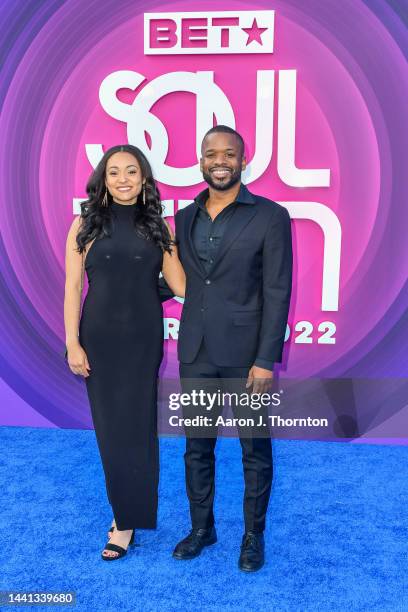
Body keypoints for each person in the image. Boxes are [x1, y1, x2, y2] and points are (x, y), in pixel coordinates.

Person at [172, 125, 292, 572]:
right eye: (210, 154)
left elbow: (277, 291)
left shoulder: (269, 216)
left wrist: (265, 360)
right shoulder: (183, 218)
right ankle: (202, 528)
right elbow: (178, 280)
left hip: (246, 357)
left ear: (243, 159)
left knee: (253, 449)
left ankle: (252, 536)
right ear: (200, 161)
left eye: (228, 154)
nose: (219, 161)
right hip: (196, 352)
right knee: (196, 447)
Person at [64, 144, 185, 561]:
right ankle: (123, 519)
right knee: (111, 431)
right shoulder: (85, 225)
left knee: (138, 428)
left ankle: (131, 515)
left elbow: (183, 286)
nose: (122, 179)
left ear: (144, 178)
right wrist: (71, 342)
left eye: (131, 171)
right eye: (113, 172)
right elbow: (73, 289)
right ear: (103, 178)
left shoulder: (158, 228)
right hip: (97, 339)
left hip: (142, 340)